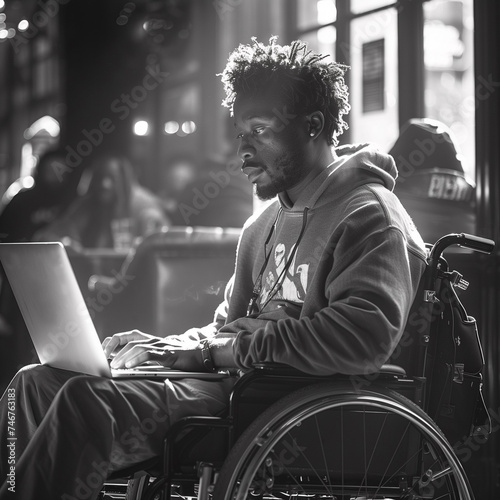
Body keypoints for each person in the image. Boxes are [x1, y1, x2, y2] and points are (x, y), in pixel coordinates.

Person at [0, 37, 427, 499]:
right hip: (229, 386)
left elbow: (361, 340)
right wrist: (168, 347)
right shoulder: (261, 225)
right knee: (35, 383)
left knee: (82, 403)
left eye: (260, 130)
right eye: (241, 134)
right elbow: (225, 329)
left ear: (313, 126)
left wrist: (214, 355)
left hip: (276, 402)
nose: (243, 150)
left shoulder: (369, 215)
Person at [34, 154, 170, 250]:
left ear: (123, 180)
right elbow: (55, 233)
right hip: (93, 280)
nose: (105, 184)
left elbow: (159, 249)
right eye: (100, 178)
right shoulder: (89, 203)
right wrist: (66, 244)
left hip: (136, 281)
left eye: (111, 178)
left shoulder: (145, 207)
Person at [0, 149, 73, 243]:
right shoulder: (21, 200)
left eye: (60, 171)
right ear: (41, 170)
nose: (56, 175)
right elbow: (3, 232)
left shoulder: (74, 202)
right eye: (51, 170)